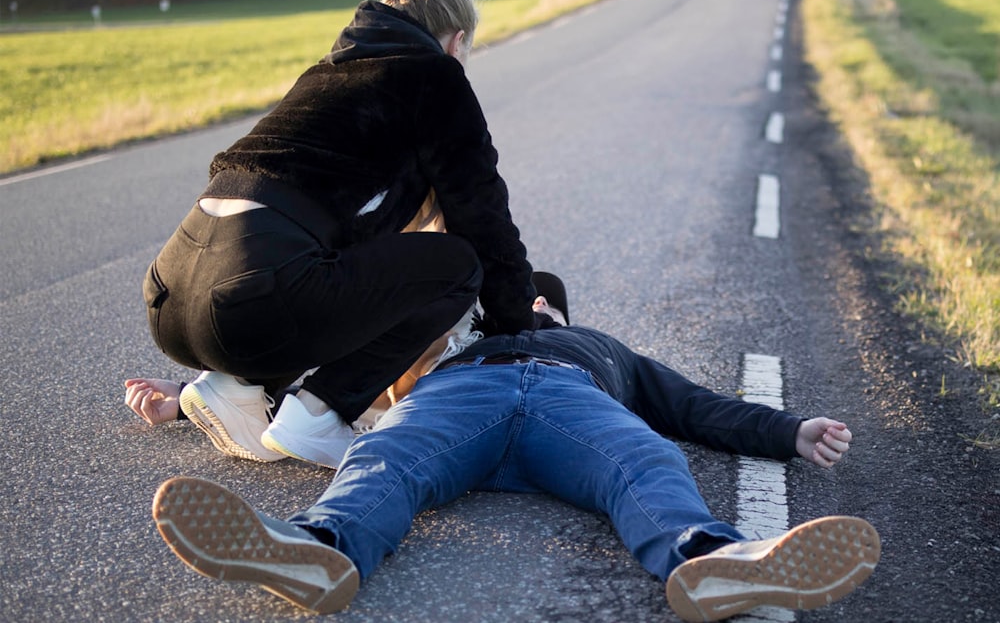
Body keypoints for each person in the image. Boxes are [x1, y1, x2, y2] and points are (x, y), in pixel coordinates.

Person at [150, 285, 880, 622]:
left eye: (541, 300)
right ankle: (320, 546)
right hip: (461, 399)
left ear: (561, 312)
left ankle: (709, 560)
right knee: (385, 455)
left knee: (648, 458)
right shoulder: (449, 350)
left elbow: (694, 409)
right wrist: (187, 396)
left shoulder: (600, 349)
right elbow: (321, 379)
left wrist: (790, 430)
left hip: (570, 408)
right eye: (516, 298)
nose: (530, 305)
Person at [140, 0, 541, 470]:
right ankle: (319, 412)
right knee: (459, 265)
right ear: (456, 40)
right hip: (251, 299)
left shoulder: (323, 75)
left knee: (331, 270)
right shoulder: (435, 75)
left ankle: (232, 385)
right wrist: (517, 326)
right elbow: (485, 221)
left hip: (170, 297)